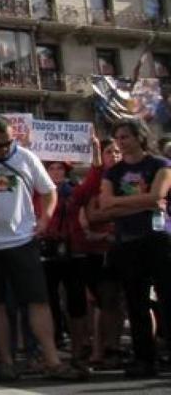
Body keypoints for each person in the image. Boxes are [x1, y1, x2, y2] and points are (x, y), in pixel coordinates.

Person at [0, 115, 81, 382]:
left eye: (9, 143)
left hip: (22, 240)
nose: (4, 149)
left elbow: (49, 191)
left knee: (37, 300)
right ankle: (7, 362)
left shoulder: (26, 158)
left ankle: (52, 359)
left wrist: (45, 218)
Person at [99, 118, 171, 378]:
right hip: (127, 241)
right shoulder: (113, 172)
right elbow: (105, 204)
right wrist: (142, 203)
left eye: (125, 136)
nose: (121, 142)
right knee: (136, 302)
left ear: (139, 137)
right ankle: (145, 358)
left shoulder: (160, 164)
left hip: (158, 238)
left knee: (166, 297)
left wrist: (123, 203)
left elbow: (157, 196)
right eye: (118, 137)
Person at [75, 136, 124, 368]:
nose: (114, 156)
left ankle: (115, 347)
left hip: (125, 247)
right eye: (108, 152)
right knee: (102, 301)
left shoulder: (129, 177)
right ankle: (99, 349)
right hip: (98, 251)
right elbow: (91, 214)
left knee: (123, 300)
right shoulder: (95, 182)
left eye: (117, 152)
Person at [38, 160, 89, 369]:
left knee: (76, 301)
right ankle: (53, 348)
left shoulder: (75, 190)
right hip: (47, 251)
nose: (56, 172)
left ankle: (78, 349)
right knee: (47, 301)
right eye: (52, 168)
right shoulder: (39, 191)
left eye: (60, 168)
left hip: (73, 250)